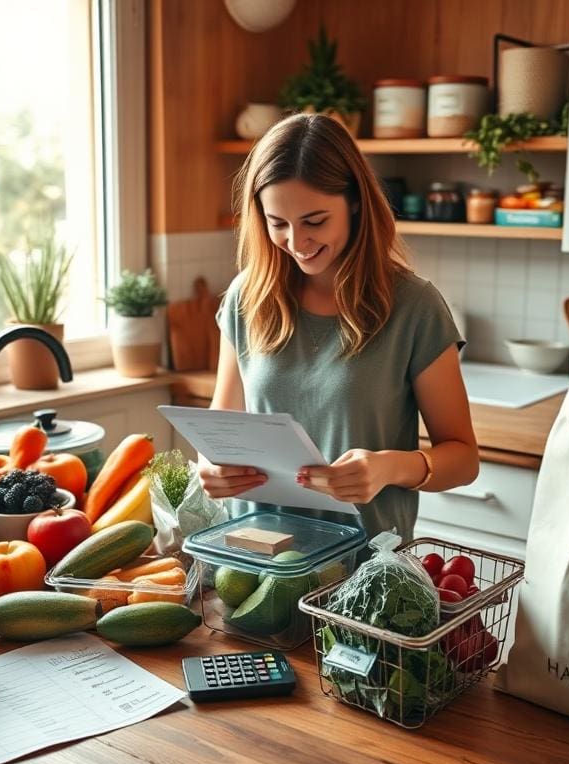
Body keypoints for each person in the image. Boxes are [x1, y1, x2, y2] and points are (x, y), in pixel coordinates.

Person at [198, 112, 478, 542]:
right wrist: (210, 466)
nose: (297, 242)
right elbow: (223, 426)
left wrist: (390, 467)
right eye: (278, 224)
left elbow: (463, 459)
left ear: (355, 203)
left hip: (363, 577)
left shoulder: (414, 307)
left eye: (314, 221)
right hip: (256, 563)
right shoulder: (246, 297)